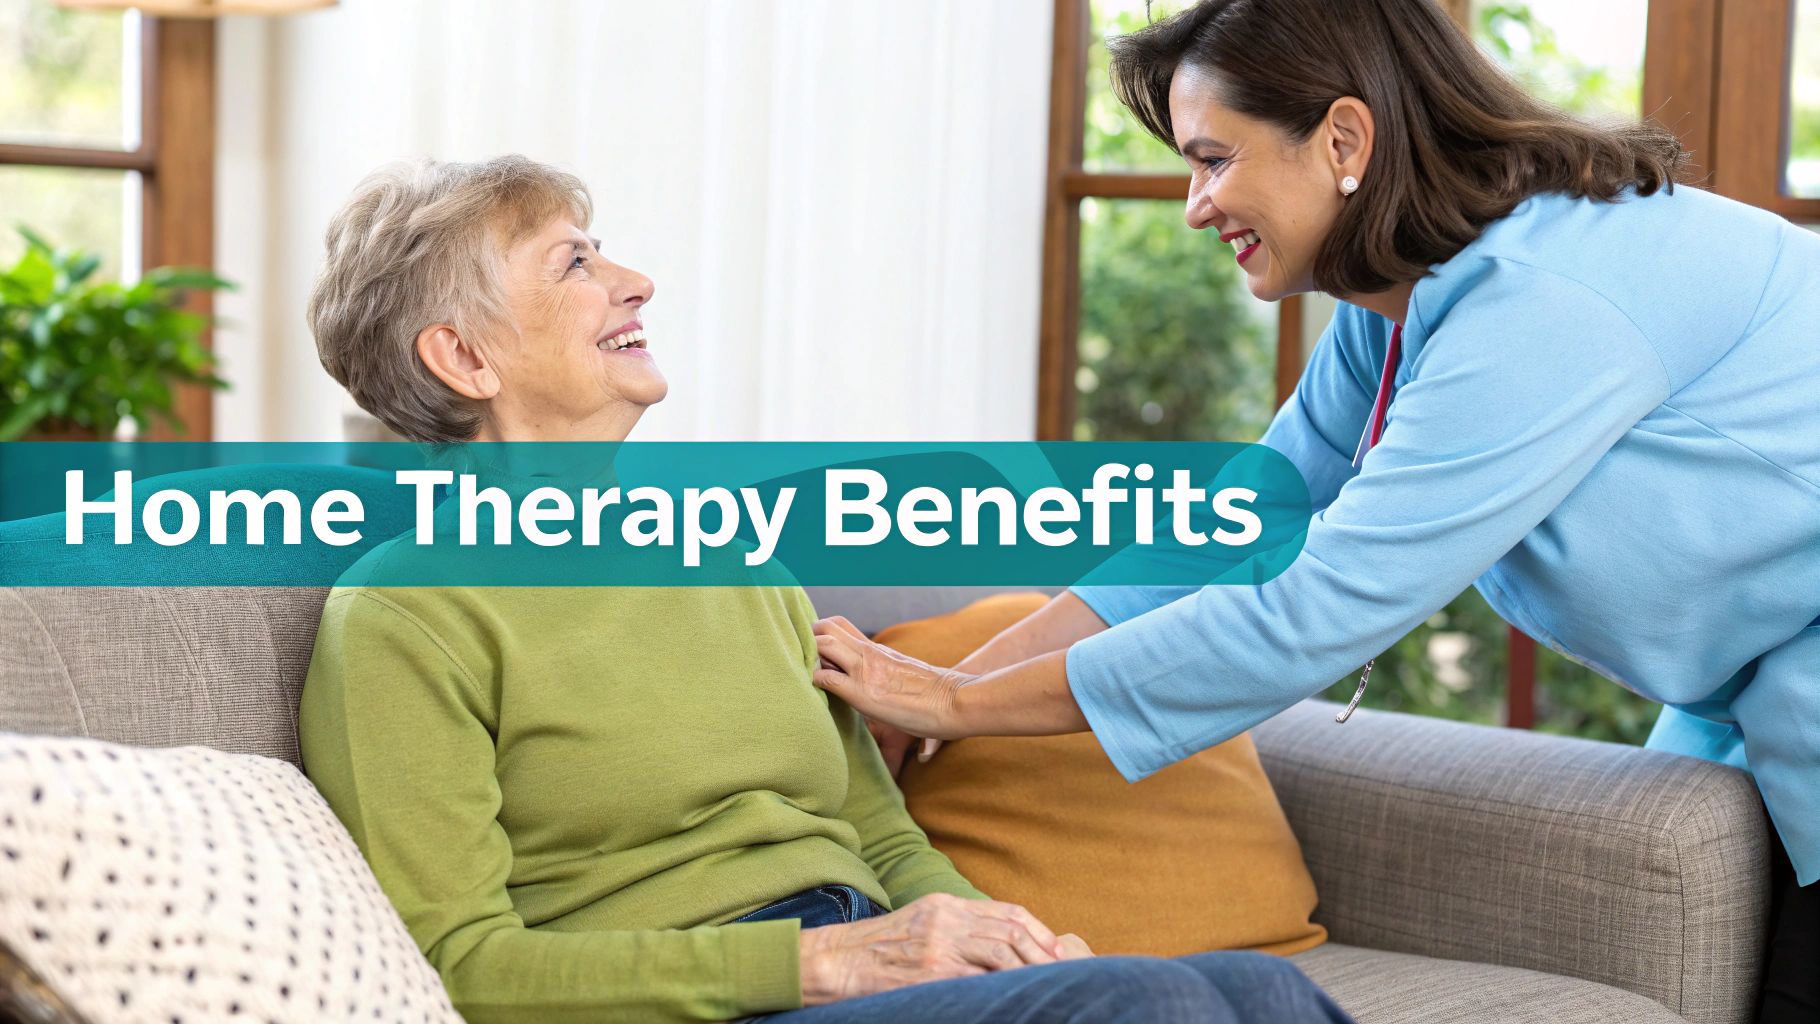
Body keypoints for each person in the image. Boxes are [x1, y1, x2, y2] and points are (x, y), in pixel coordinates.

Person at [811, 3, 1820, 1022]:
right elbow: (1228, 532)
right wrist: (945, 686)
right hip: (1754, 697)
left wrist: (951, 707)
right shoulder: (1395, 304)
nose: (1194, 207)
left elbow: (1318, 605)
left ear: (1343, 138)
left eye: (1212, 159)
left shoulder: (1545, 293)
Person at [296, 154, 1353, 1024]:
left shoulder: (726, 554)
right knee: (1148, 1006)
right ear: (463, 357)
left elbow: (881, 834)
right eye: (574, 263)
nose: (634, 281)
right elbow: (465, 964)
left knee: (1257, 990)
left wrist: (1023, 944)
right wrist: (827, 963)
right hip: (713, 1003)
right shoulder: (404, 613)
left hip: (857, 965)